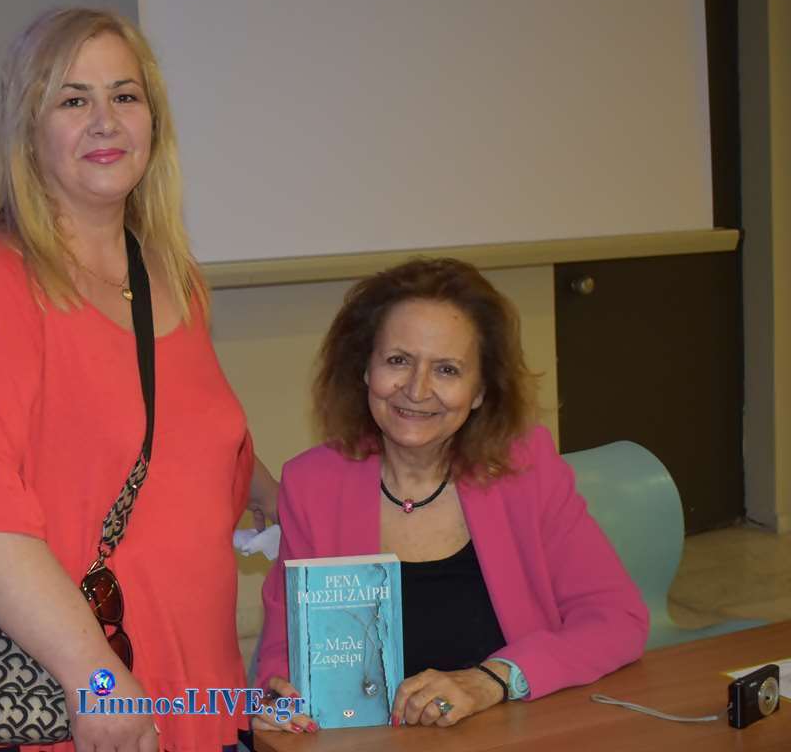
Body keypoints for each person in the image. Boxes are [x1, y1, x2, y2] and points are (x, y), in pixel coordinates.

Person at [0, 8, 277, 752]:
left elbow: (192, 437)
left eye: (125, 95)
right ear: (27, 129)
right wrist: (94, 676)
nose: (105, 121)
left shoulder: (172, 276)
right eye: (72, 99)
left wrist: (288, 503)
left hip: (194, 666)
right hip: (71, 684)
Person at [252, 258, 648, 734]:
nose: (417, 390)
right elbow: (283, 652)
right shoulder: (313, 484)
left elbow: (617, 619)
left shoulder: (526, 469)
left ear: (480, 391)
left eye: (446, 369)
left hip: (513, 733)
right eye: (398, 361)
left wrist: (491, 680)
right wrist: (278, 699)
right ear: (365, 369)